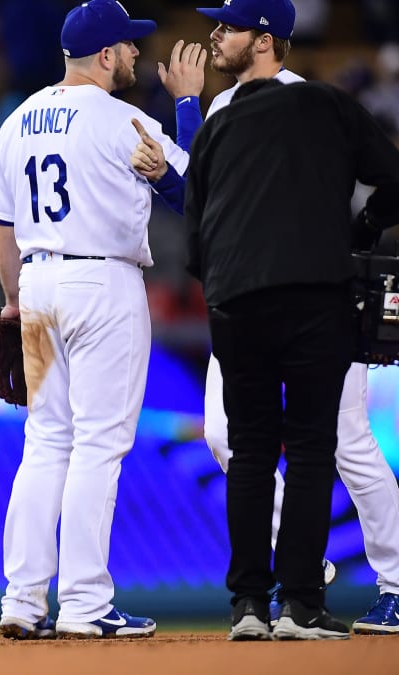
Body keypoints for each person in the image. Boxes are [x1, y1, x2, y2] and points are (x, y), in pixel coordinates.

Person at [145, 0, 399, 638]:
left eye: (228, 26)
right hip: (300, 294)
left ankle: (375, 584)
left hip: (268, 295)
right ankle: (287, 592)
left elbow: (196, 214)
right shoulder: (233, 109)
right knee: (248, 444)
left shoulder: (304, 101)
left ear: (265, 40)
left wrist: (350, 243)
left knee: (341, 443)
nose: (214, 35)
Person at [0, 0, 191, 641]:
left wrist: (16, 302)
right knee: (99, 443)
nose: (133, 54)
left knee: (47, 442)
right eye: (127, 45)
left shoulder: (18, 119)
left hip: (40, 283)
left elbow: (1, 223)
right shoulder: (126, 119)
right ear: (104, 54)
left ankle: (21, 598)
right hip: (103, 282)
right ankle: (84, 602)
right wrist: (187, 108)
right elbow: (205, 188)